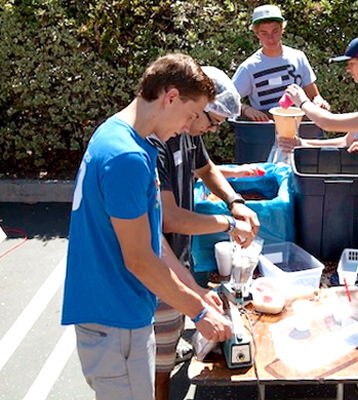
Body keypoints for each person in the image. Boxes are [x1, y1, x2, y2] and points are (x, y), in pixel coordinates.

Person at [61, 53, 232, 400]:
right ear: (170, 97)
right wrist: (197, 311)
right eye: (190, 115)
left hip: (124, 314)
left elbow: (152, 241)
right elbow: (139, 260)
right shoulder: (128, 158)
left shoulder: (122, 138)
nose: (188, 127)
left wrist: (196, 293)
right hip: (114, 317)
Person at [150, 66, 260, 400]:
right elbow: (167, 219)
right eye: (209, 121)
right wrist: (227, 224)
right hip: (157, 260)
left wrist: (235, 201)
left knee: (166, 348)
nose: (209, 130)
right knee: (158, 362)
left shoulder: (189, 131)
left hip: (177, 254)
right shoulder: (159, 142)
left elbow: (206, 168)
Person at [277, 35, 358, 153]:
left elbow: (328, 122)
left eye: (352, 63)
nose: (348, 69)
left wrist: (302, 102)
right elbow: (348, 142)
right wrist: (302, 143)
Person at [232, 4, 329, 121]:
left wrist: (319, 102)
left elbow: (314, 95)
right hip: (266, 130)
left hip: (301, 127)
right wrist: (245, 109)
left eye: (275, 31)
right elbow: (227, 100)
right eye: (264, 33)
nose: (270, 38)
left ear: (282, 29)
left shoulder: (298, 57)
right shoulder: (248, 68)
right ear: (256, 34)